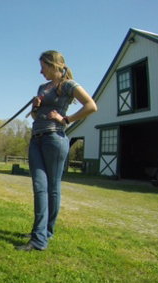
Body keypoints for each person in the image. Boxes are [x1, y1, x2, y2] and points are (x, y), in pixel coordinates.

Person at [16, 50, 97, 251]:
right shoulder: (42, 87)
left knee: (51, 188)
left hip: (55, 139)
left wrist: (66, 119)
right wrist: (35, 108)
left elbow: (91, 106)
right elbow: (36, 118)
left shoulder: (68, 84)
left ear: (54, 65)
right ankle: (41, 232)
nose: (40, 71)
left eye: (43, 66)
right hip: (36, 138)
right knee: (39, 186)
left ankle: (41, 237)